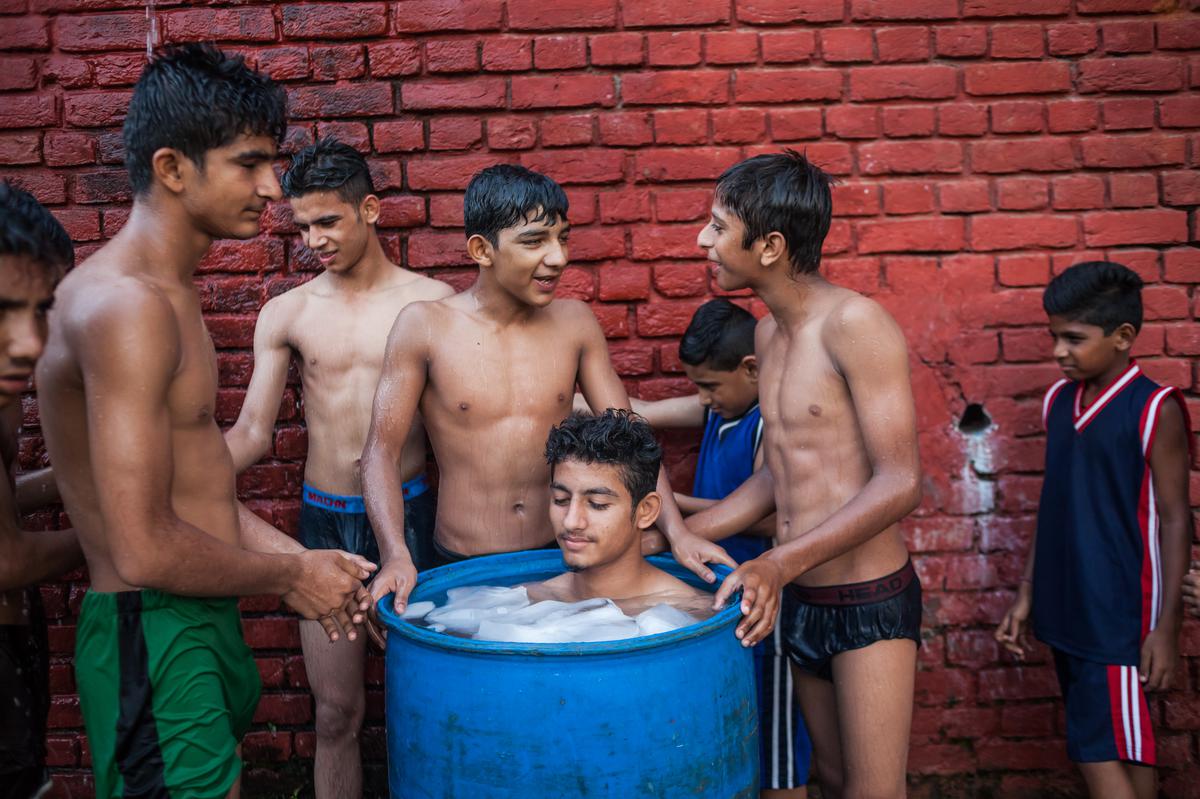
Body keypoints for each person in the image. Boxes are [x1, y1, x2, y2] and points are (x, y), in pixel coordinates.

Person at [35, 45, 375, 799]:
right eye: (248, 163)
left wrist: (313, 569)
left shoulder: (166, 294)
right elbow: (143, 544)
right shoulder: (126, 308)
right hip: (150, 625)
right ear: (173, 168)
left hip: (189, 616)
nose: (271, 186)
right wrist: (291, 574)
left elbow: (198, 486)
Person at [362, 164, 731, 619]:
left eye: (563, 239)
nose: (557, 257)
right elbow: (381, 451)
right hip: (463, 559)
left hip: (557, 558)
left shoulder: (574, 323)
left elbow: (630, 438)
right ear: (482, 249)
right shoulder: (424, 326)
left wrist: (678, 534)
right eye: (535, 241)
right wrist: (395, 553)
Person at [685, 151, 924, 799]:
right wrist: (681, 532)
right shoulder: (765, 338)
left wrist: (778, 561)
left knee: (874, 791)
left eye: (717, 226)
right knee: (831, 778)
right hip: (800, 598)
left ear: (769, 246)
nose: (702, 240)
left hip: (866, 599)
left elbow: (901, 481)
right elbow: (780, 473)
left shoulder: (856, 324)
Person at [224, 137, 453, 799]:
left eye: (328, 221)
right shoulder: (288, 312)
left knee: (432, 704)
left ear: (371, 210)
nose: (313, 239)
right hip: (326, 521)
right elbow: (252, 432)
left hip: (412, 516)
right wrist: (186, 470)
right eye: (301, 226)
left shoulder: (431, 302)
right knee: (335, 713)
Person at [996, 262, 1192, 799]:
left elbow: (1176, 519)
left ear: (1123, 337)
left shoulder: (1154, 408)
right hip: (1066, 605)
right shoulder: (1059, 401)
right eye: (1054, 336)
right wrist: (1027, 592)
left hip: (1117, 617)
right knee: (1115, 742)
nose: (1059, 350)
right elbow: (1052, 501)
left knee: (1103, 749)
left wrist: (1166, 626)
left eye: (1074, 339)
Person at [619, 298, 811, 798]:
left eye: (709, 386)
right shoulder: (717, 409)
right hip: (723, 600)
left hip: (765, 600)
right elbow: (639, 413)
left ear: (751, 369)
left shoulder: (768, 424)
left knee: (778, 747)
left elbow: (772, 514)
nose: (702, 398)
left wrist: (675, 504)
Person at [0, 183, 83, 799]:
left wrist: (71, 481)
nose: (30, 342)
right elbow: (7, 558)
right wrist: (112, 531)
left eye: (40, 310)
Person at [530, 409, 708, 614]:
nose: (571, 522)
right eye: (561, 500)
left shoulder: (692, 614)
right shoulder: (528, 599)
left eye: (597, 503)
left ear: (645, 511)